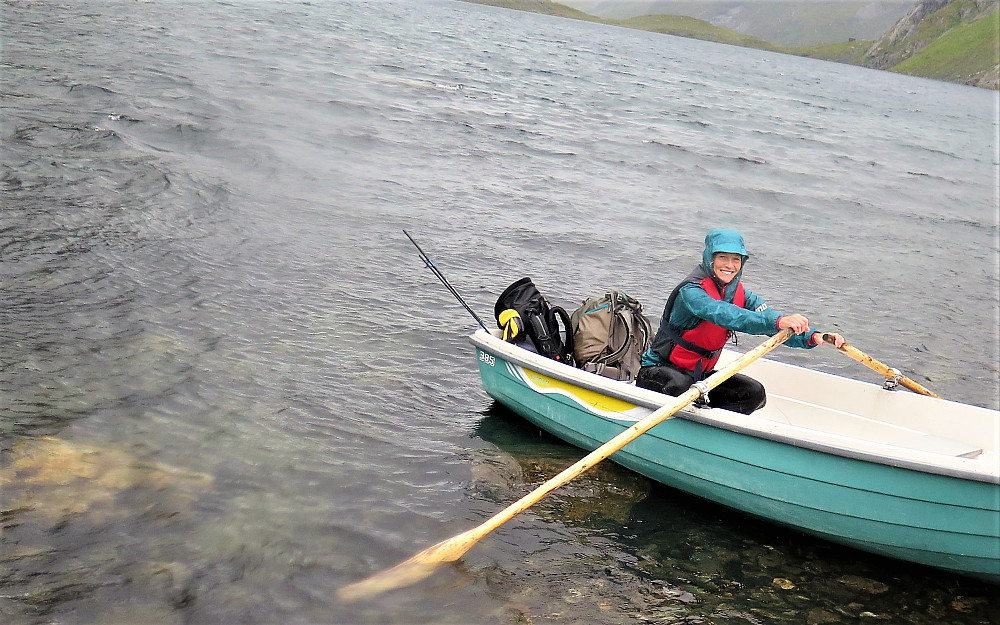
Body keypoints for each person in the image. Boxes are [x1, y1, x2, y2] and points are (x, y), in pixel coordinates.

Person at [637, 228, 846, 414]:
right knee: (679, 385)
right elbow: (724, 313)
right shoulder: (691, 292)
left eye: (736, 259)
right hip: (659, 371)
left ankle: (711, 433)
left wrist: (814, 336)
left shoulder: (742, 294)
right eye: (722, 258)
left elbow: (772, 320)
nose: (729, 265)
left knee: (753, 393)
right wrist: (777, 321)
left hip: (699, 378)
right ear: (710, 258)